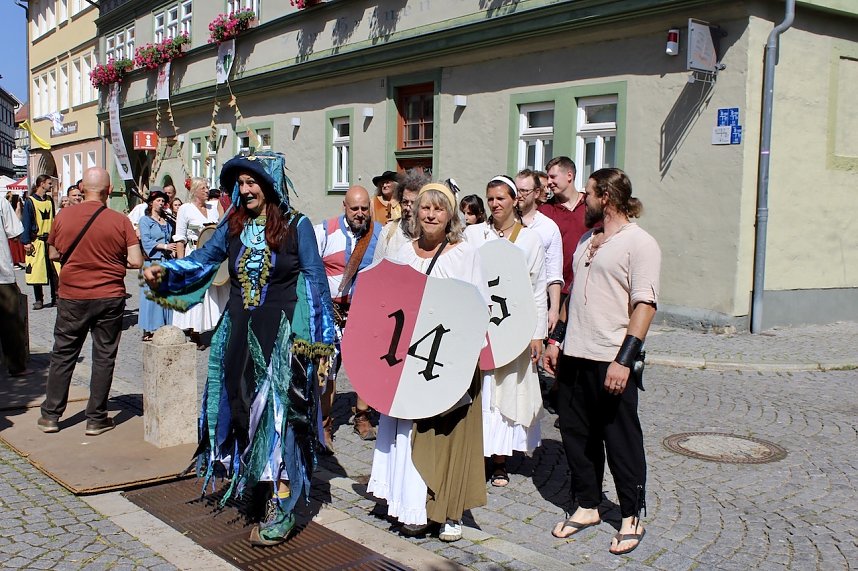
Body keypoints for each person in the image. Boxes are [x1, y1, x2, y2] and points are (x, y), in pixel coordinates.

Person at [143, 151, 336, 547]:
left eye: (254, 182)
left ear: (271, 185)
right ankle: (258, 484)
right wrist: (165, 275)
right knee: (242, 408)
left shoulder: (297, 226)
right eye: (241, 183)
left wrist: (317, 346)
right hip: (239, 332)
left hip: (282, 336)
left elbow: (315, 280)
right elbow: (201, 261)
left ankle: (284, 505)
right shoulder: (232, 226)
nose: (246, 189)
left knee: (280, 419)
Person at [543, 168, 660, 556]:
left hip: (610, 359)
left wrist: (624, 360)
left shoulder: (639, 244)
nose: (584, 200)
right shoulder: (586, 239)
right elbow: (574, 296)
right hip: (575, 355)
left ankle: (630, 515)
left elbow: (645, 305)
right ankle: (588, 505)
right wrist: (556, 340)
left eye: (589, 194)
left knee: (621, 438)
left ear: (605, 197)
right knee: (577, 436)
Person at [368, 182, 489, 543]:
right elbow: (388, 303)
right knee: (409, 434)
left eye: (439, 208)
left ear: (450, 215)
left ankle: (448, 511)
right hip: (407, 362)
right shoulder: (403, 252)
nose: (431, 214)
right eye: (425, 208)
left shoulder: (465, 254)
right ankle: (413, 508)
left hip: (446, 362)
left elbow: (477, 306)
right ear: (415, 213)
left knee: (447, 438)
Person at [38, 168, 143, 435]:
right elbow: (135, 261)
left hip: (72, 295)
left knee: (63, 354)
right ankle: (96, 418)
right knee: (104, 356)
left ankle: (51, 416)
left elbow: (52, 253)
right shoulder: (120, 221)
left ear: (83, 188)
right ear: (108, 191)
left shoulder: (63, 216)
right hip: (109, 296)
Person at [463, 176, 547, 488]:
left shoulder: (530, 240)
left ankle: (499, 461)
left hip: (514, 325)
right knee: (481, 392)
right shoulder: (475, 235)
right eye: (491, 199)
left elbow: (538, 289)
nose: (496, 204)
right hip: (481, 326)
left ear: (514, 200)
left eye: (501, 198)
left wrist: (537, 333)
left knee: (506, 390)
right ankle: (478, 456)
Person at [314, 185, 382, 446]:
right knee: (327, 372)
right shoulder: (325, 230)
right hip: (332, 315)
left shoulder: (380, 235)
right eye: (355, 208)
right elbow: (310, 268)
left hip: (364, 314)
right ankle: (325, 425)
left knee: (366, 370)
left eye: (365, 208)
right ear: (345, 206)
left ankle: (362, 416)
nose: (360, 213)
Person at [172, 177, 228, 344]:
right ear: (194, 190)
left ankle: (214, 325)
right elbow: (180, 238)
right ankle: (194, 330)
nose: (206, 190)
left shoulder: (212, 207)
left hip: (211, 254)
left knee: (213, 292)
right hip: (193, 252)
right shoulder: (185, 209)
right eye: (203, 188)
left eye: (207, 187)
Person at [538, 157, 589, 305]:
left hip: (585, 288)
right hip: (555, 291)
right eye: (548, 177)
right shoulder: (545, 211)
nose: (549, 182)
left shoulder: (590, 207)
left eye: (553, 177)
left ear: (569, 175)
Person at [137, 190, 176, 341]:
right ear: (151, 203)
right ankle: (149, 329)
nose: (161, 203)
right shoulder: (145, 221)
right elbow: (146, 241)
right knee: (151, 294)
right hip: (152, 261)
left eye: (163, 201)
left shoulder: (167, 222)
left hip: (166, 261)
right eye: (158, 201)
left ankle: (165, 325)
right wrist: (165, 247)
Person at [372, 168, 428, 263]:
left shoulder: (431, 236)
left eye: (414, 203)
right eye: (405, 202)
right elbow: (376, 269)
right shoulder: (388, 233)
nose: (408, 208)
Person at [21, 174, 59, 310]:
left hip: (50, 240)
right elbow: (26, 222)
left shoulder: (49, 200)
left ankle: (56, 297)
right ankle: (39, 299)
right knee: (37, 271)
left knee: (54, 270)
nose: (51, 186)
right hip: (37, 241)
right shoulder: (30, 201)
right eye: (49, 183)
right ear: (41, 184)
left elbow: (54, 219)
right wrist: (26, 241)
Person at [0, 193, 28, 376]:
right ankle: (16, 366)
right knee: (10, 321)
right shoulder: (0, 201)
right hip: (2, 273)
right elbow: (15, 232)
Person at [6, 194, 26, 268]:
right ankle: (17, 261)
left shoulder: (10, 206)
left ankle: (15, 261)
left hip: (12, 228)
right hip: (17, 226)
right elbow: (18, 215)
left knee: (14, 247)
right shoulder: (18, 206)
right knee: (17, 246)